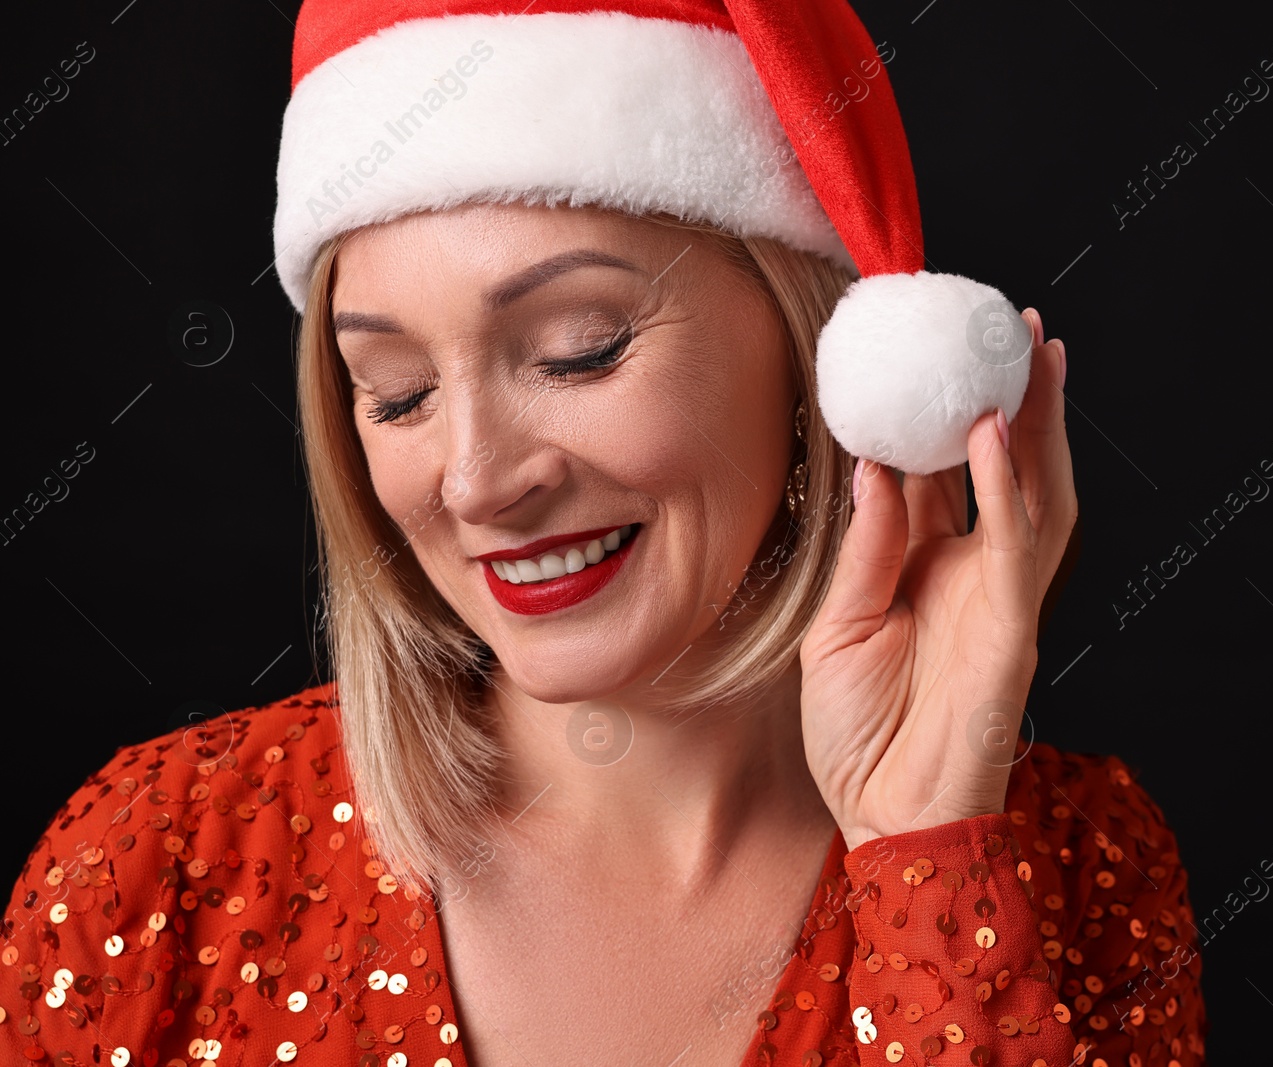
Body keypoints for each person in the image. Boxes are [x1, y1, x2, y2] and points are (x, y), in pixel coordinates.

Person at [0, 2, 1208, 1065]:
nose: (476, 481)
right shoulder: (153, 867)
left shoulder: (1071, 876)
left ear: (823, 360)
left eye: (579, 348)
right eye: (398, 393)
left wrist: (930, 853)